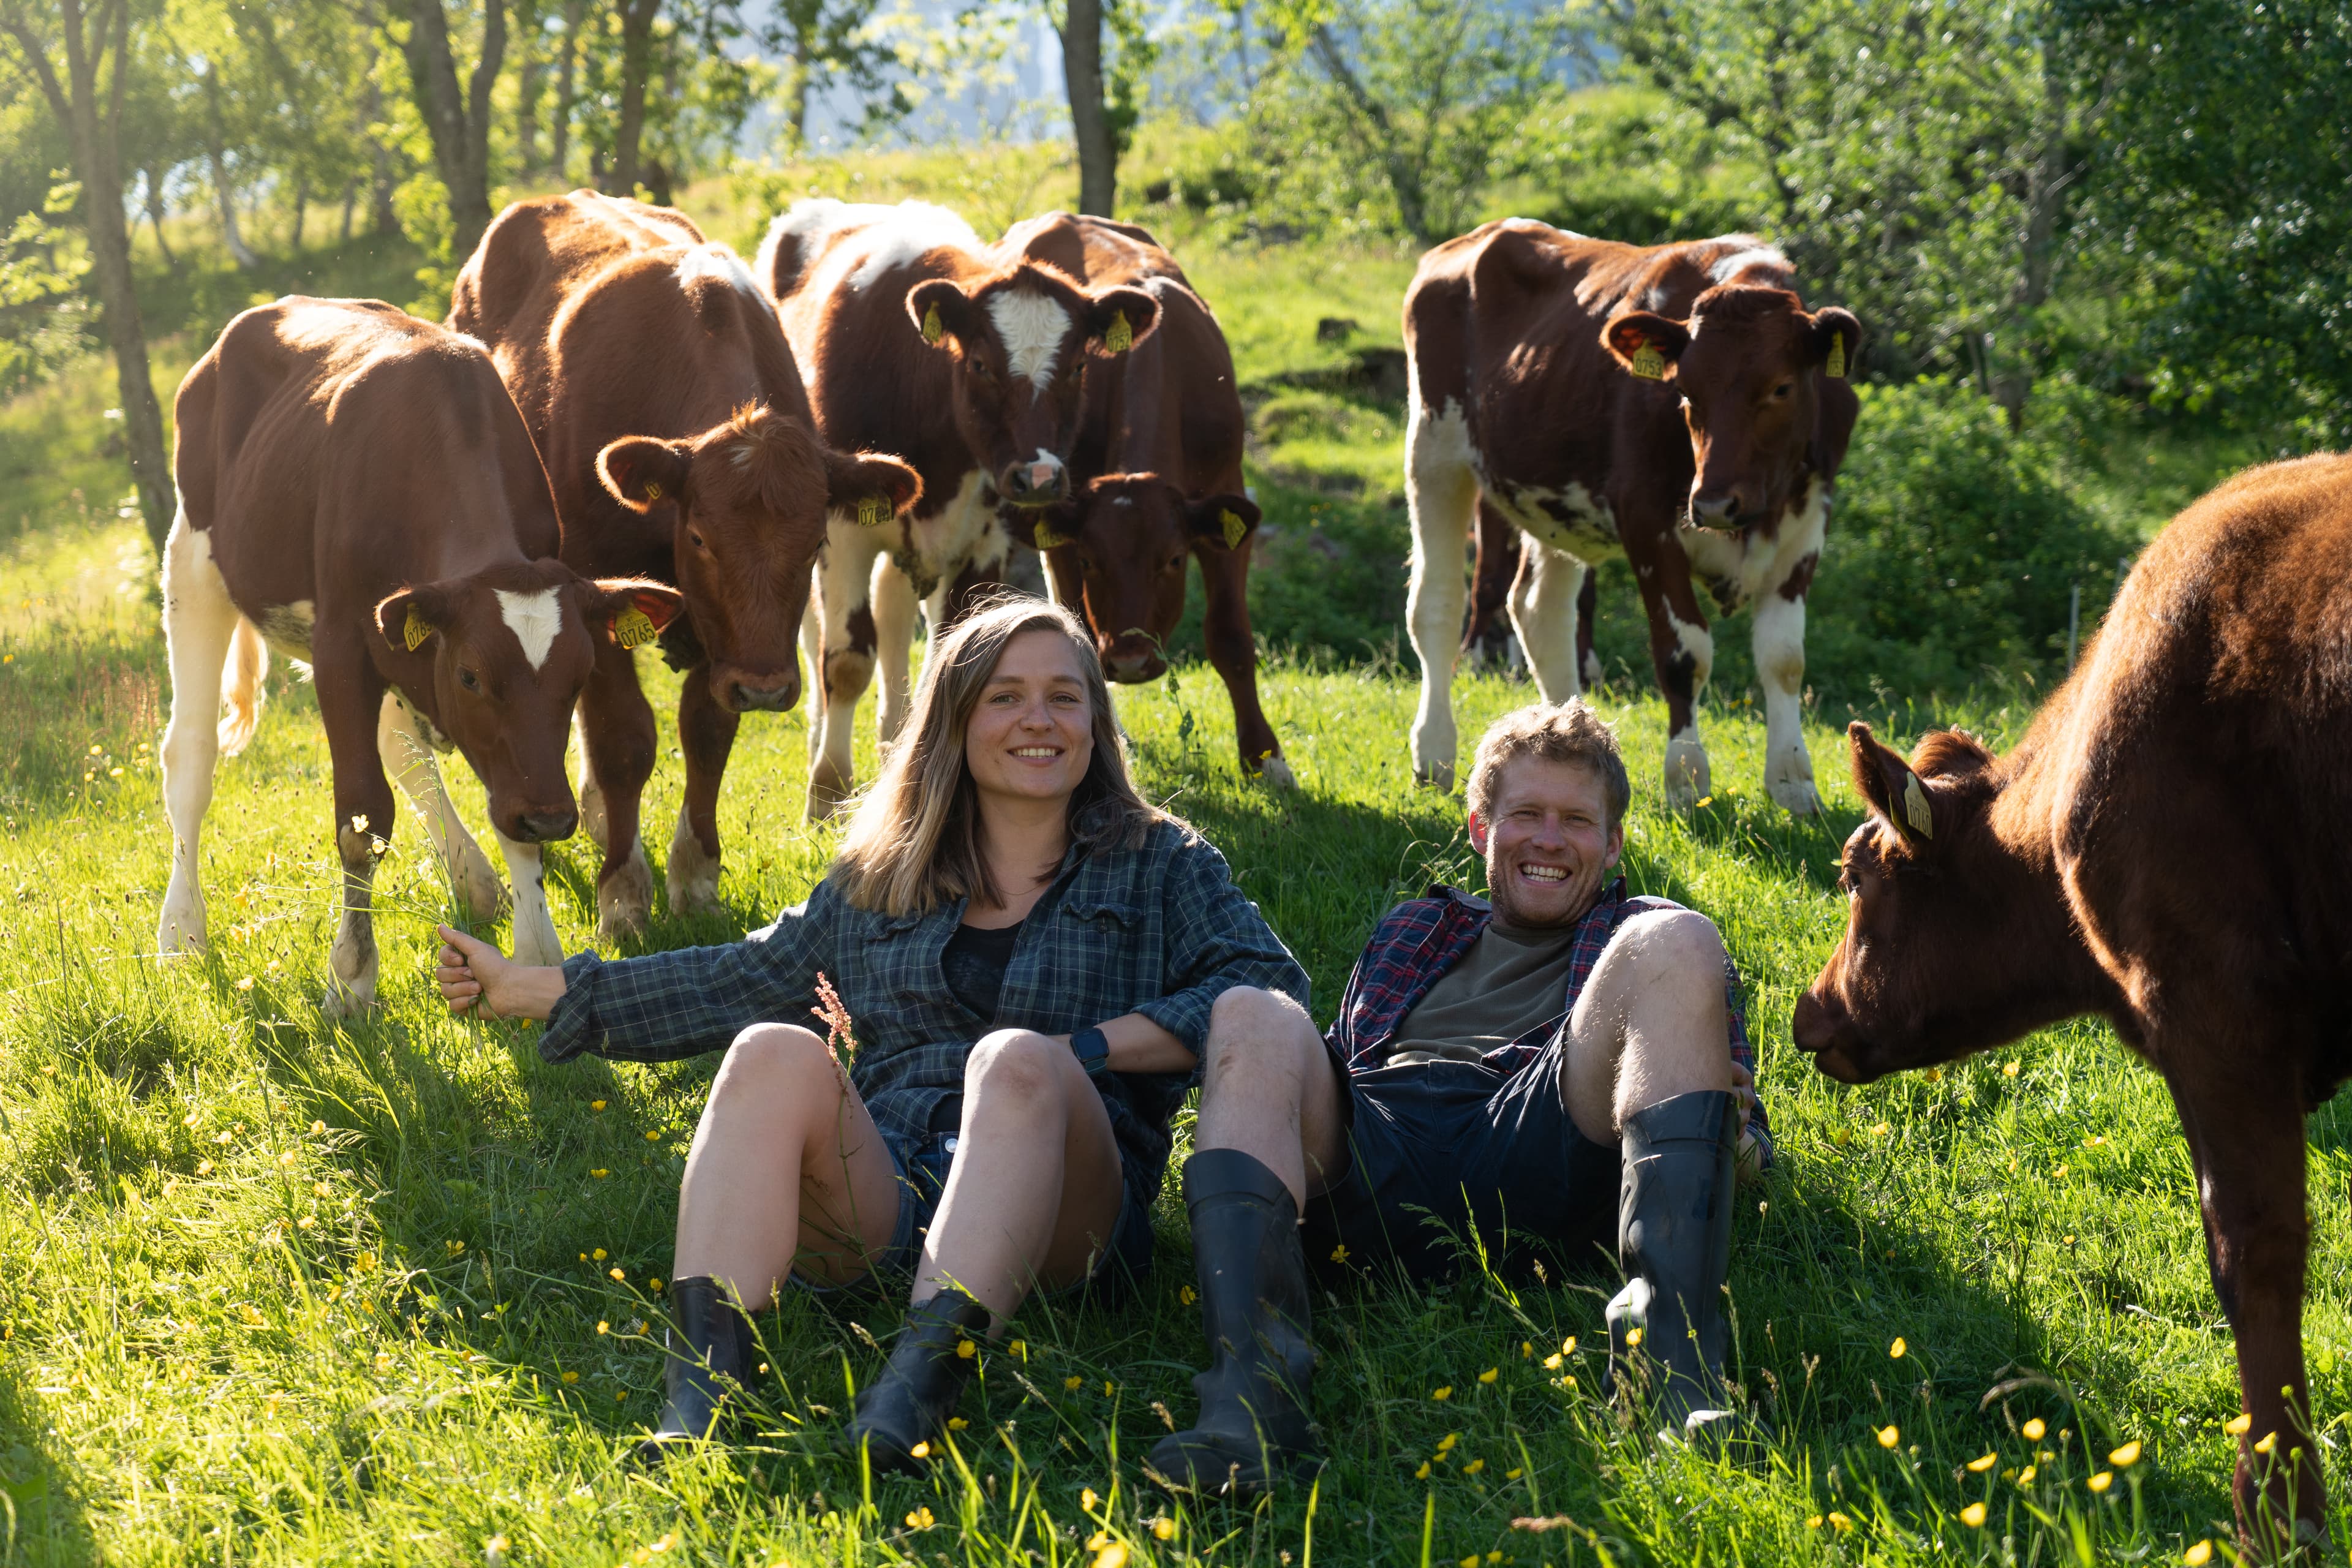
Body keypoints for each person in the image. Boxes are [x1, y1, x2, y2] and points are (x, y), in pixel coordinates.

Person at [432, 598, 1308, 1470]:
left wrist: (1086, 1050)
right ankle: (701, 1397)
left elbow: (1265, 992)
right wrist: (524, 988)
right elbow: (732, 979)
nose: (1038, 720)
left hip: (1068, 1211)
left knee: (1015, 1062)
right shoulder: (883, 875)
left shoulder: (1161, 862)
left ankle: (916, 1392)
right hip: (891, 1188)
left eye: (1064, 698)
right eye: (1005, 697)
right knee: (770, 1050)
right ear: (954, 722)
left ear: (1094, 722)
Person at [1148, 699, 1770, 1496]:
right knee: (1249, 1010)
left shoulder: (1642, 938)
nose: (1549, 839)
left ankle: (1673, 1386)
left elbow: (1740, 1131)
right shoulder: (1416, 927)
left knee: (1679, 934)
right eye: (1526, 815)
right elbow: (1336, 1064)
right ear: (1482, 829)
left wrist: (1733, 1141)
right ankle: (1252, 1404)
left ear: (1613, 844)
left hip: (1538, 1133)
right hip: (1380, 1145)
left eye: (1578, 821)